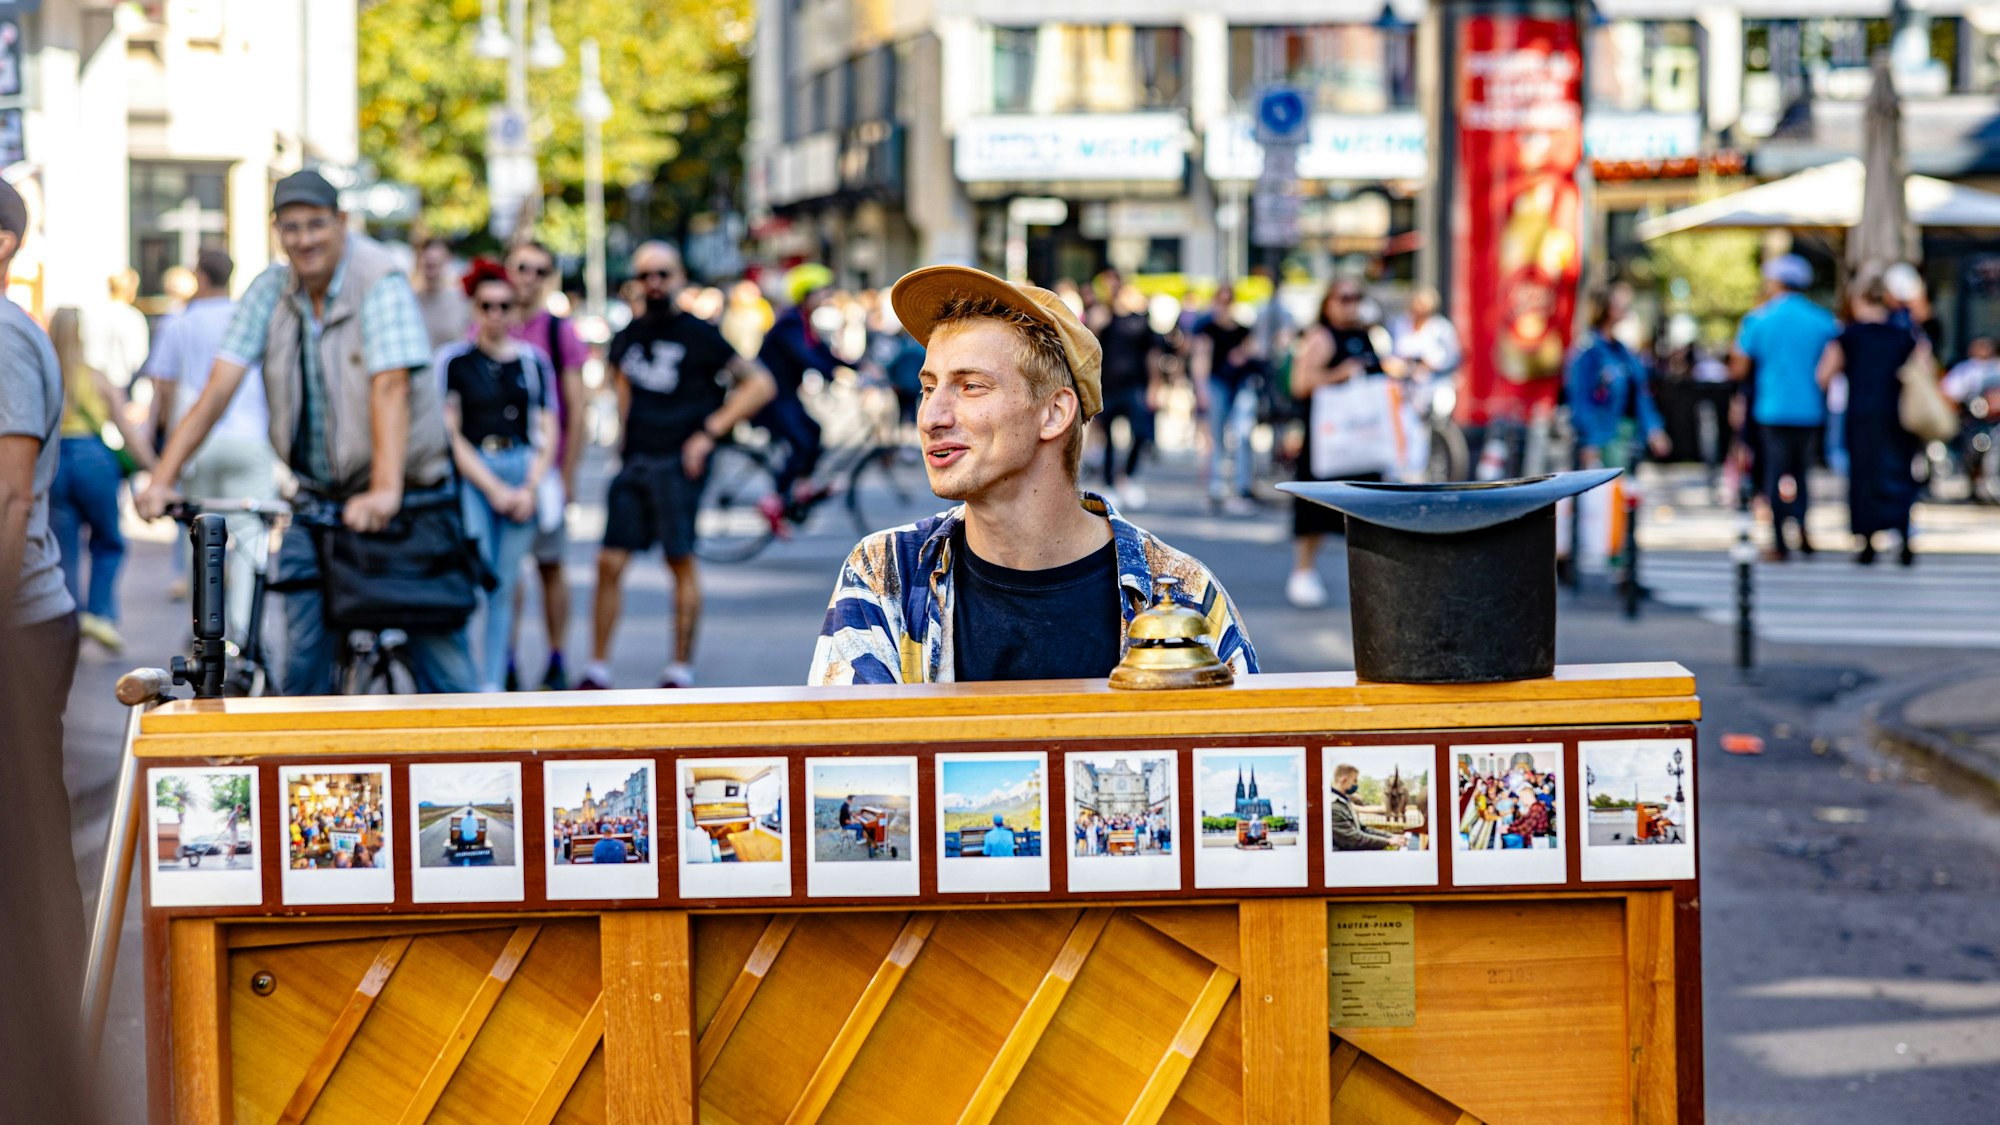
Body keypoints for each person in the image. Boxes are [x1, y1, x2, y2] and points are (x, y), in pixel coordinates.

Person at [810, 264, 1256, 686]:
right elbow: (849, 759)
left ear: (1054, 412)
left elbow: (1239, 750)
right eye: (928, 388)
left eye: (970, 386)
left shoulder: (1182, 595)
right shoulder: (887, 574)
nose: (931, 417)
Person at [138, 169, 477, 694]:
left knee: (444, 668)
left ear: (341, 222)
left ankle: (473, 764)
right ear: (277, 231)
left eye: (316, 224)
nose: (304, 239)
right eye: (291, 227)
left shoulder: (378, 277)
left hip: (408, 498)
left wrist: (385, 491)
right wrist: (162, 477)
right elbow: (218, 388)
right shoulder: (270, 290)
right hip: (318, 499)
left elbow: (390, 384)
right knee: (302, 666)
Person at [0, 179, 101, 1125]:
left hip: (20, 620)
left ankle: (56, 1007)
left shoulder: (4, 337)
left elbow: (11, 496)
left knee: (29, 827)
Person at [579, 242, 775, 689]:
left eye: (663, 274)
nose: (655, 283)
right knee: (609, 562)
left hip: (678, 461)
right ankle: (597, 668)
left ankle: (679, 669)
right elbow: (622, 386)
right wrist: (620, 445)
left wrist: (709, 433)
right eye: (646, 275)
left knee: (679, 559)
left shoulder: (700, 333)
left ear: (680, 277)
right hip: (635, 461)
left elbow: (759, 385)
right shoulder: (628, 333)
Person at [435, 259, 560, 692]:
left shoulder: (532, 362)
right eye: (487, 305)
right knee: (475, 575)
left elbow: (547, 427)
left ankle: (492, 681)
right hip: (476, 474)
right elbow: (451, 433)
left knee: (506, 584)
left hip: (521, 468)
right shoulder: (455, 361)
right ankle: (465, 681)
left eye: (504, 306)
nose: (496, 315)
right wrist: (491, 488)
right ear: (474, 308)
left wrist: (529, 486)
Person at [145, 249, 276, 642]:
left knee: (200, 537)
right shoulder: (247, 317)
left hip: (199, 440)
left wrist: (162, 452)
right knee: (252, 538)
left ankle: (206, 628)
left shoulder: (180, 323)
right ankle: (242, 634)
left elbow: (163, 389)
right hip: (251, 437)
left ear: (200, 276)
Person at [505, 240, 591, 690]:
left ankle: (556, 657)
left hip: (547, 472)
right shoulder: (489, 320)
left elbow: (577, 410)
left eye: (540, 271)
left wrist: (568, 473)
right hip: (499, 470)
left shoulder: (560, 332)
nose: (529, 278)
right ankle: (507, 658)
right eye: (522, 267)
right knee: (506, 571)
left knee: (550, 566)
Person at [50, 307, 154, 653]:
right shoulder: (96, 377)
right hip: (92, 459)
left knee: (64, 548)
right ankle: (98, 613)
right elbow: (128, 431)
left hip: (53, 464)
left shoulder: (45, 378)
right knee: (109, 540)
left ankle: (67, 621)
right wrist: (156, 469)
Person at [1285, 279, 1386, 609]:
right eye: (1343, 298)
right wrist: (1338, 374)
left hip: (1363, 441)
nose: (1350, 304)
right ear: (1328, 302)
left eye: (1356, 297)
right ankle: (1303, 572)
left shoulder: (1364, 334)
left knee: (1365, 509)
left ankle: (1373, 579)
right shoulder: (1320, 337)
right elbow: (1299, 384)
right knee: (1315, 509)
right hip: (1327, 441)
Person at [1732, 254, 1839, 561]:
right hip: (1809, 409)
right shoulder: (1822, 319)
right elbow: (1834, 361)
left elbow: (1739, 366)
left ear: (1775, 282)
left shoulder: (1759, 319)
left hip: (1772, 408)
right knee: (1802, 474)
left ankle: (1780, 540)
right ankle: (1803, 526)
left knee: (1775, 473)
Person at [1819, 275, 1923, 566]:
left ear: (1857, 299)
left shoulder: (1849, 336)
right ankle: (1902, 534)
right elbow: (1924, 369)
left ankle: (1866, 541)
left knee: (1864, 477)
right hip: (1898, 416)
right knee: (1899, 475)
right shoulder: (1903, 335)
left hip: (1863, 415)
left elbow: (1824, 375)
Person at [756, 264, 841, 518]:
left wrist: (858, 366)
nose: (827, 297)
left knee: (814, 431)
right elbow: (806, 357)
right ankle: (774, 500)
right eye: (822, 291)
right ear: (806, 293)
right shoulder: (789, 323)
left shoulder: (803, 321)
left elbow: (822, 352)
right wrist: (832, 374)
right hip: (771, 398)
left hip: (785, 396)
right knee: (801, 442)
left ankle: (801, 487)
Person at [1565, 283, 1671, 471]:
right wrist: (1590, 440)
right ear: (1606, 308)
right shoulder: (1588, 351)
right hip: (1602, 439)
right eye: (1618, 301)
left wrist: (1654, 430)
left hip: (1628, 439)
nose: (1625, 306)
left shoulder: (1624, 353)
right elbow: (1580, 399)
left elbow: (1641, 394)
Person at [1092, 284, 1166, 510]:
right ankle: (1109, 481)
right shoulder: (1106, 320)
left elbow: (1153, 356)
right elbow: (1091, 347)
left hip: (1135, 386)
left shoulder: (1142, 323)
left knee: (1141, 433)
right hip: (1108, 387)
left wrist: (1155, 386)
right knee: (1108, 438)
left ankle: (1128, 476)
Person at [1190, 285, 1261, 513]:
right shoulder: (1207, 329)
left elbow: (1255, 351)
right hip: (1217, 384)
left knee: (1242, 435)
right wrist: (1201, 390)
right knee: (1215, 437)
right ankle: (1217, 487)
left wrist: (1244, 354)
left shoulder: (1242, 330)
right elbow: (1201, 359)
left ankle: (1242, 487)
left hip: (1240, 384)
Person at [84, 267, 151, 393]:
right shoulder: (133, 318)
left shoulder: (93, 315)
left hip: (94, 386)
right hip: (121, 387)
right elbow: (137, 359)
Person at [1327, 764, 1405, 851]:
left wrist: (1391, 836)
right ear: (1343, 779)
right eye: (1354, 780)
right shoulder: (1333, 806)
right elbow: (1353, 839)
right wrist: (1388, 841)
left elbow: (1363, 829)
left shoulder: (1345, 801)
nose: (1356, 784)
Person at [413, 236, 470, 349]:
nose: (430, 258)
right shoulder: (410, 300)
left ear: (448, 258)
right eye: (424, 254)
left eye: (436, 255)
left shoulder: (461, 300)